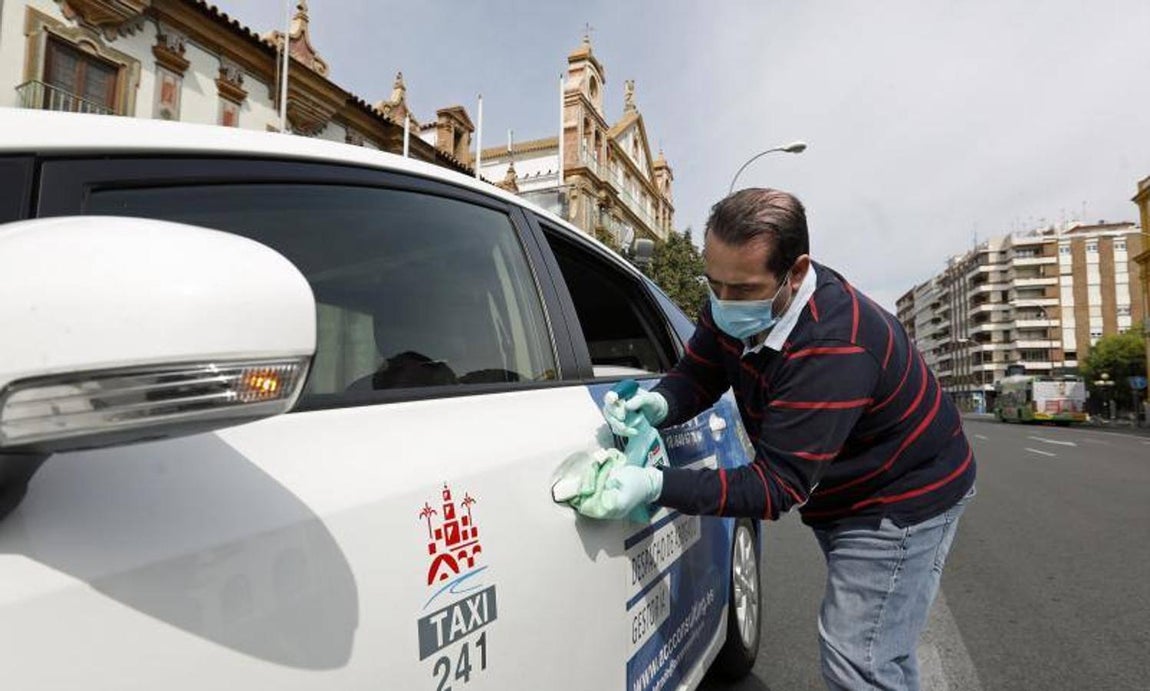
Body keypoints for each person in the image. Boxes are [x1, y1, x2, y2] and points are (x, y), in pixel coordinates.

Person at [584, 188, 976, 690]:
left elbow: (775, 487)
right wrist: (660, 403)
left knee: (859, 656)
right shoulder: (736, 299)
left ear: (795, 272)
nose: (723, 304)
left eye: (743, 290)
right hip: (843, 487)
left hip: (900, 499)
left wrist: (655, 486)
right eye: (713, 284)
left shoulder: (835, 346)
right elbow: (701, 373)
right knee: (883, 647)